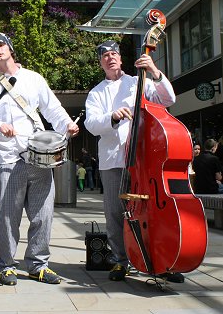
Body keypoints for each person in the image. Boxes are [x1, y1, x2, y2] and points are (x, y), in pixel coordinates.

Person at [0, 32, 79, 285]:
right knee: (7, 216)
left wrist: (68, 124)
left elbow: (53, 109)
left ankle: (38, 264)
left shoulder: (33, 79)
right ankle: (6, 264)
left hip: (40, 158)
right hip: (8, 158)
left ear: (10, 48)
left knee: (43, 214)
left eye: (0, 44)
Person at [84, 40, 184, 283]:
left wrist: (154, 71)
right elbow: (91, 124)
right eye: (105, 55)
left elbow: (168, 99)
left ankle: (160, 261)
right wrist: (113, 116)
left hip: (143, 158)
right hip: (113, 160)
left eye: (114, 53)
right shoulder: (96, 92)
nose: (110, 58)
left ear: (121, 58)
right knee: (115, 213)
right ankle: (120, 261)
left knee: (152, 211)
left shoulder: (138, 81)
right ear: (100, 62)